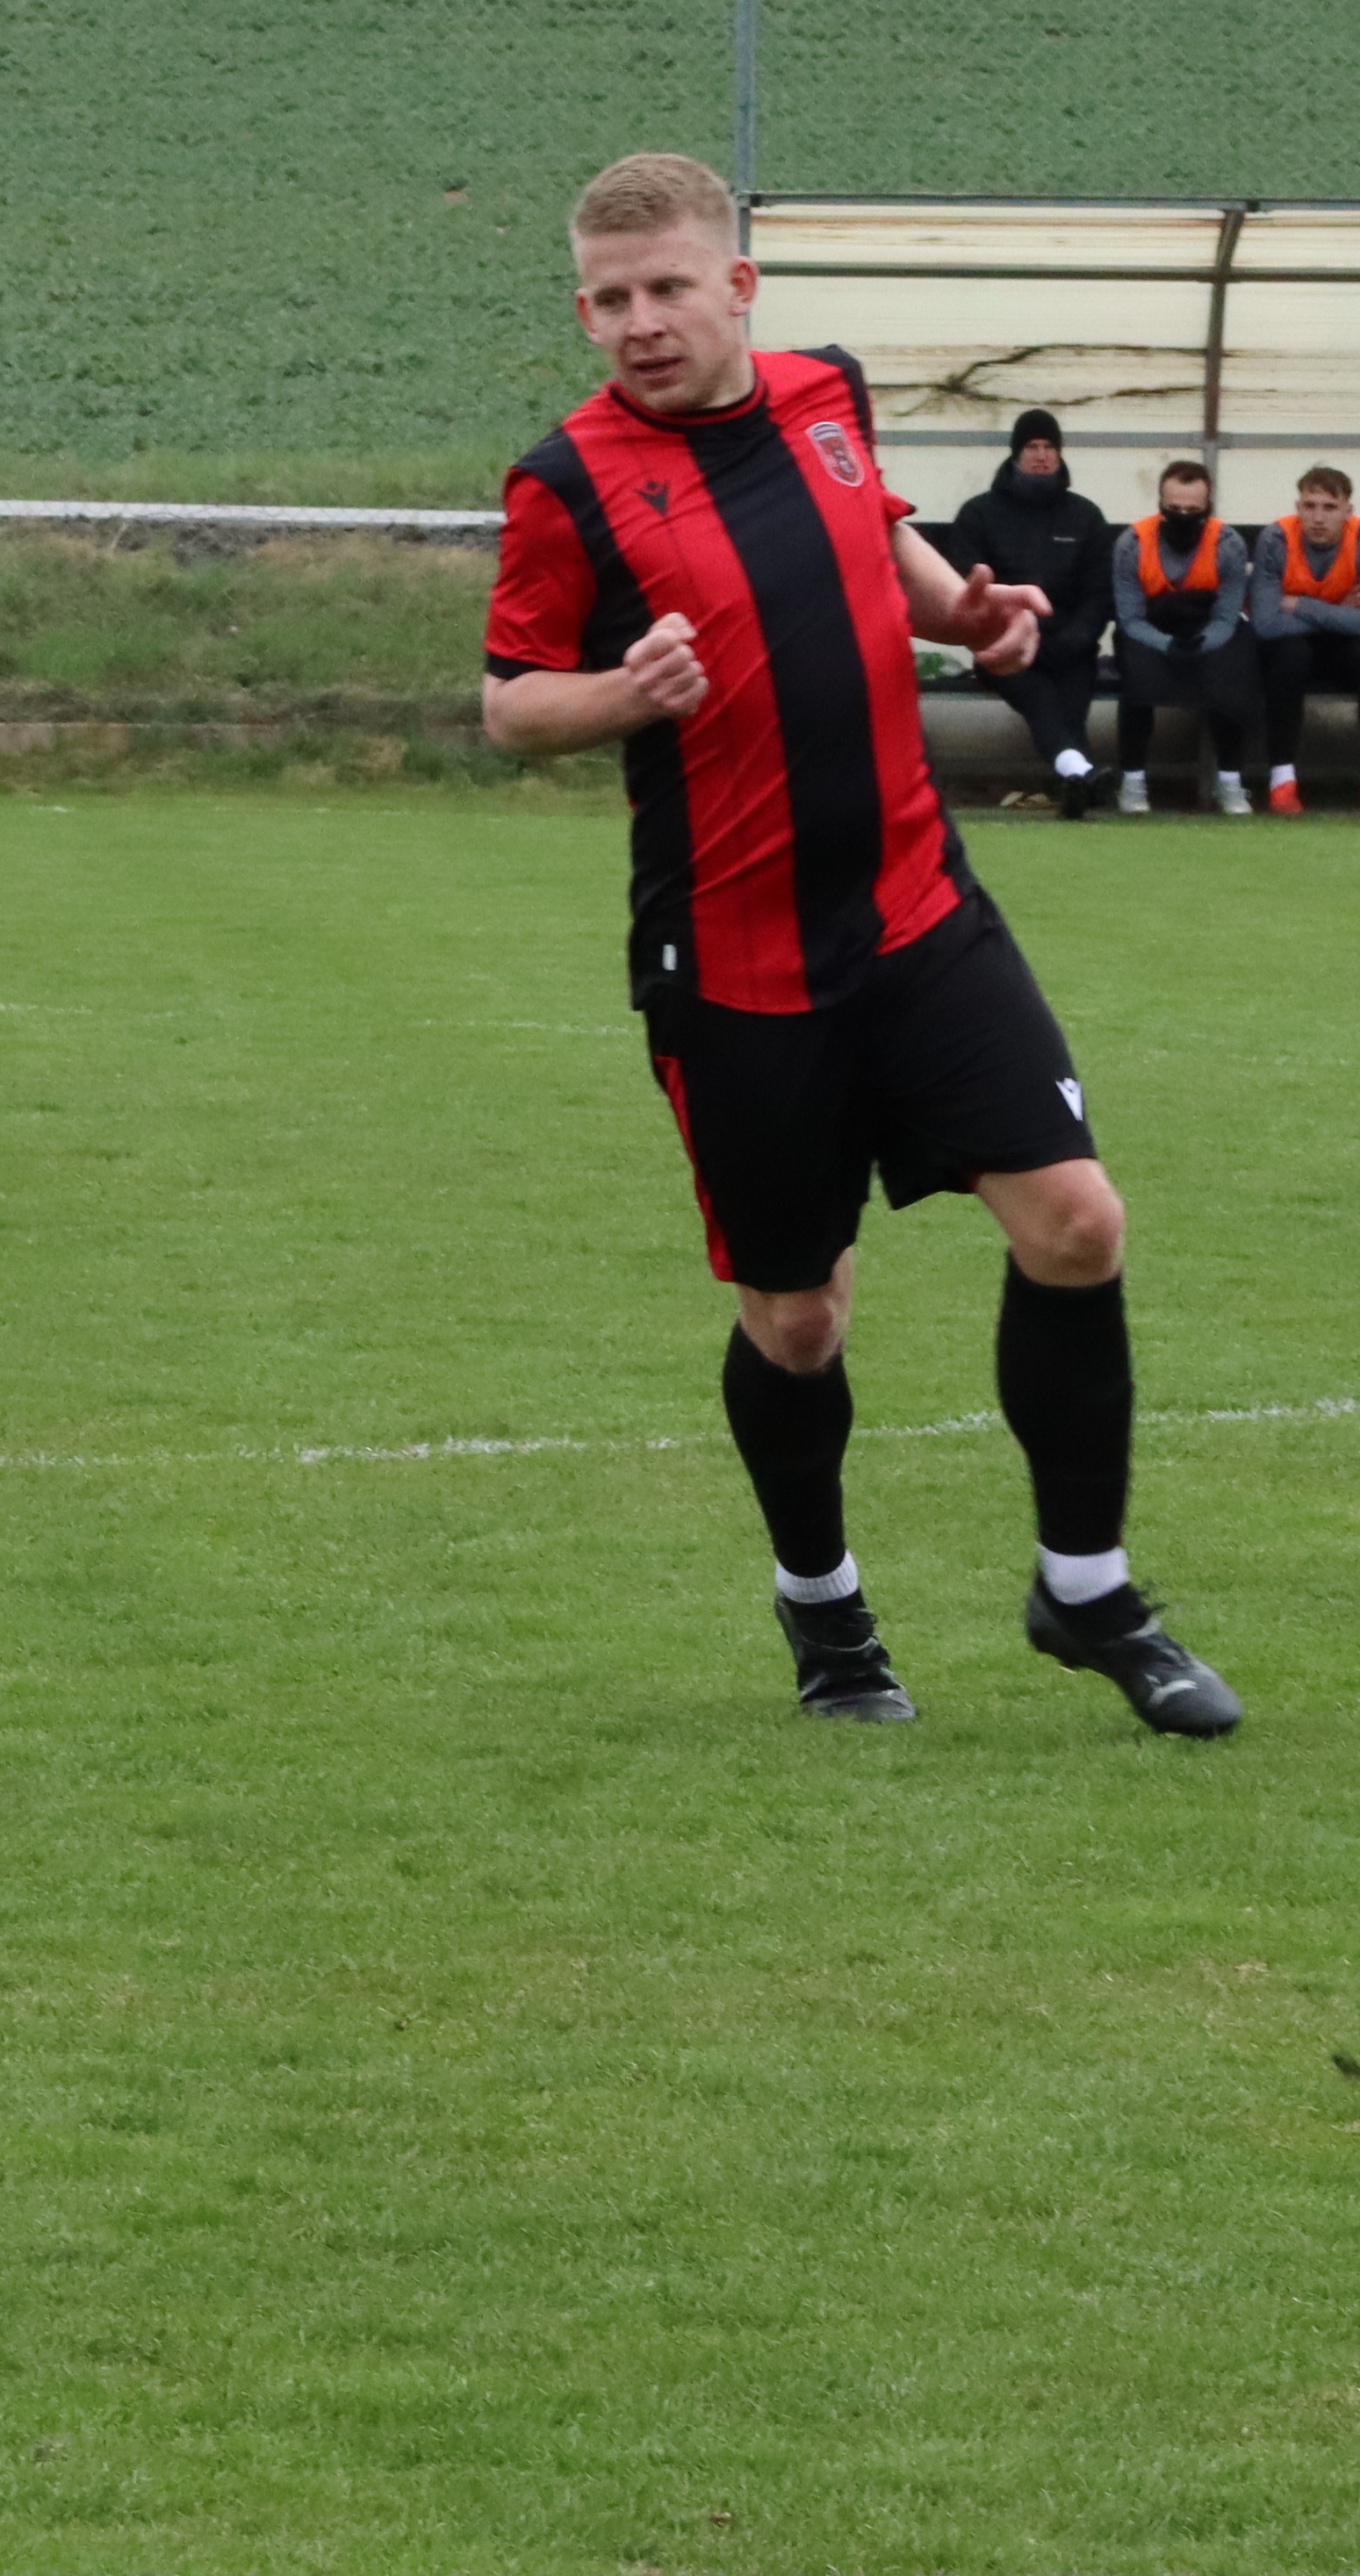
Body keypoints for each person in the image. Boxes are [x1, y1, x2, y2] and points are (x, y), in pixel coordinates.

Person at [479, 150, 1236, 1737]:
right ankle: (823, 1609)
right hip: (734, 962)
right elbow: (509, 702)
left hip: (917, 912)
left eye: (667, 286)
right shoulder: (565, 481)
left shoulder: (828, 391)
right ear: (582, 311)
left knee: (1076, 1222)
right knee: (799, 1317)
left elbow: (870, 528)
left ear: (737, 285)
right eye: (608, 299)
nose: (638, 320)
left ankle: (1086, 1588)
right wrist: (623, 692)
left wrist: (963, 611)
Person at [934, 409, 1109, 815]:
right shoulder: (979, 514)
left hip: (1071, 645)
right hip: (1003, 645)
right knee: (1040, 697)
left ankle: (1075, 779)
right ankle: (1080, 774)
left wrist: (1074, 639)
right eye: (1032, 446)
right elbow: (966, 585)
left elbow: (1099, 594)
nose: (1042, 455)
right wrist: (1003, 632)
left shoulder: (1085, 516)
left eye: (1049, 447)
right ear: (1016, 453)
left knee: (1071, 705)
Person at [1105, 459, 1260, 818]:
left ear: (1208, 507)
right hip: (1150, 630)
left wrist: (1201, 644)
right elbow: (1130, 618)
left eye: (1193, 510)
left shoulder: (1229, 544)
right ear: (1160, 503)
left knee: (1237, 667)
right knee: (1136, 677)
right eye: (1174, 509)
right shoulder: (1131, 544)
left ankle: (1230, 780)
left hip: (1208, 628)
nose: (1183, 516)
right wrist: (1168, 645)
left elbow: (1228, 615)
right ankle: (1132, 780)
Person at [1248, 463, 1360, 815]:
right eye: (1310, 506)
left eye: (1330, 508)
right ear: (1298, 507)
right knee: (1289, 658)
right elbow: (1266, 624)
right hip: (1292, 643)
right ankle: (1282, 781)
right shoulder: (1276, 538)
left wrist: (1299, 604)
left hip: (1339, 645)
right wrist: (1339, 612)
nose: (1318, 517)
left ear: (1348, 511)